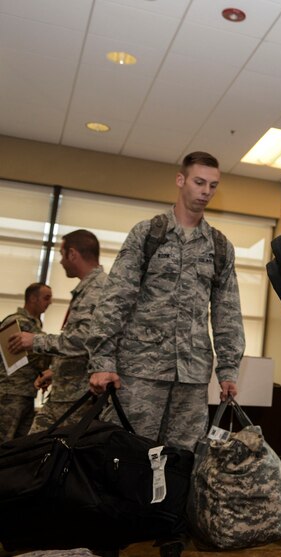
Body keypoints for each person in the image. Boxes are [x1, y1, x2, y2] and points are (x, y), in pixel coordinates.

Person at [86, 151, 245, 451]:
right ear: (181, 180)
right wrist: (102, 361)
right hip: (140, 373)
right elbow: (116, 298)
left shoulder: (220, 246)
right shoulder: (148, 233)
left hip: (192, 379)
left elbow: (227, 313)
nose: (206, 191)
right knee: (126, 454)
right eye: (199, 182)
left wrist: (228, 371)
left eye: (213, 185)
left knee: (182, 463)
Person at [8, 230, 107, 432]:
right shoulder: (87, 288)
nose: (61, 262)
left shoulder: (97, 289)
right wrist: (56, 371)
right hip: (66, 392)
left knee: (43, 454)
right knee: (34, 451)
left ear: (72, 254)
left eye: (62, 255)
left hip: (77, 398)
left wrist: (34, 341)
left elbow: (83, 340)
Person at [0, 283, 53, 442]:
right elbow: (39, 356)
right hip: (11, 393)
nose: (50, 302)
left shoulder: (33, 324)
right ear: (32, 298)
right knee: (5, 441)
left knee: (19, 444)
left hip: (26, 392)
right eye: (46, 298)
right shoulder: (18, 323)